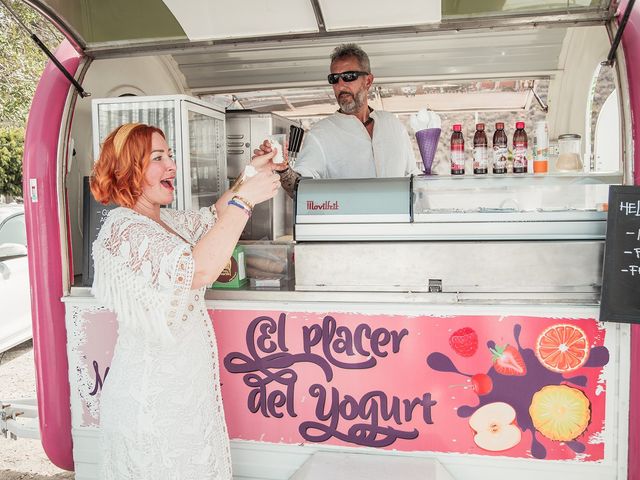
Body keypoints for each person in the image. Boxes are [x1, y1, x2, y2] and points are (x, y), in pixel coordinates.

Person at [90, 123, 280, 480]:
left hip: (184, 396)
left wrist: (252, 172)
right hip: (151, 405)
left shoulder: (166, 220)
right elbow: (198, 270)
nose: (172, 166)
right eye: (158, 158)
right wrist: (247, 198)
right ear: (129, 169)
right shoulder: (123, 228)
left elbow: (215, 219)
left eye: (170, 155)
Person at [253, 43, 420, 197]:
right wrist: (283, 170)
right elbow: (299, 189)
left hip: (397, 227)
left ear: (368, 81)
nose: (340, 85)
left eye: (349, 76)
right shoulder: (321, 134)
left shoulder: (392, 124)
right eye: (334, 79)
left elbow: (414, 180)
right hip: (348, 228)